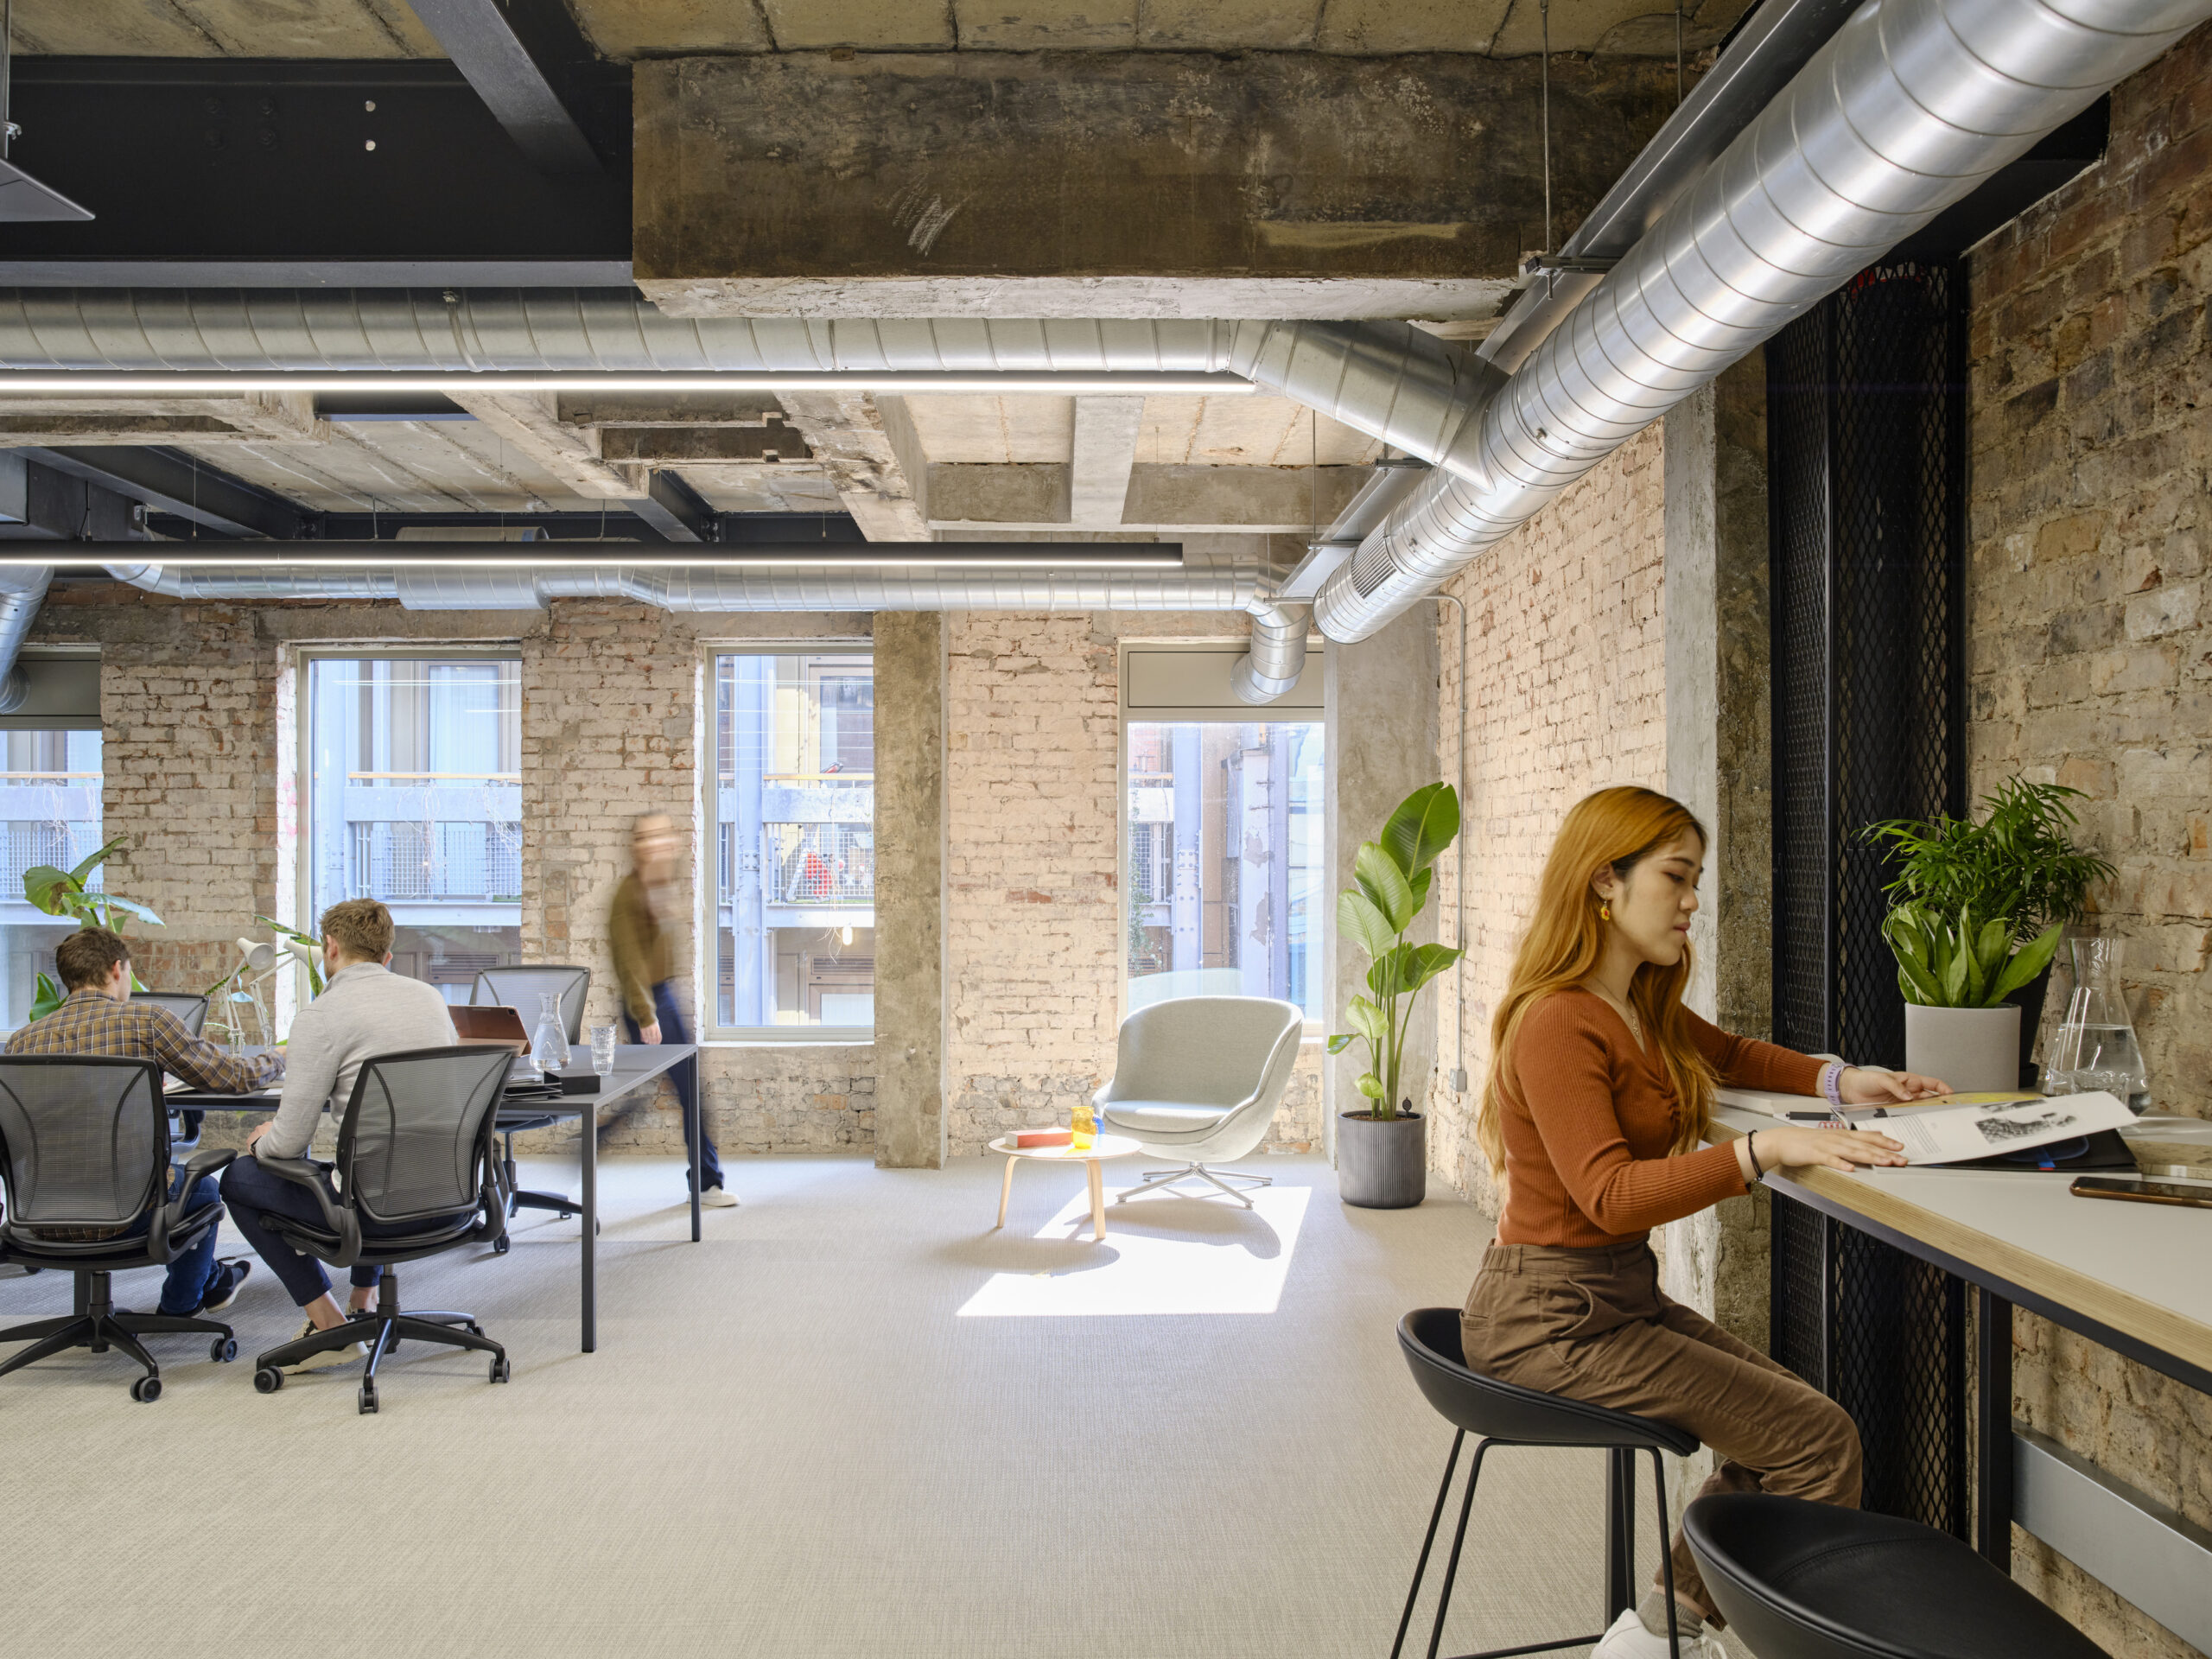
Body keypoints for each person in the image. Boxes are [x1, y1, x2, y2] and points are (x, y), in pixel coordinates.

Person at [1464, 787, 1949, 1659]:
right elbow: (1608, 1195)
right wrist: (1764, 1152)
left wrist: (1847, 1080)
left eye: (1695, 879)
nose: (1692, 900)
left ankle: (1657, 1638)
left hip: (1611, 1297)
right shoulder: (1557, 1020)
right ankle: (1673, 1639)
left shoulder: (1636, 1003)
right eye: (1675, 877)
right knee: (1816, 1439)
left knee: (1803, 1429)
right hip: (1549, 1318)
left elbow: (1729, 1056)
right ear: (1604, 883)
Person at [217, 899, 463, 1373]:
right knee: (375, 1159)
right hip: (443, 1197)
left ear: (329, 947)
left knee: (240, 1178)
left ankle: (329, 1327)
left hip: (372, 1211)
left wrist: (259, 1142)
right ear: (386, 954)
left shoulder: (321, 1016)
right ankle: (364, 1301)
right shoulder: (430, 999)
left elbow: (288, 1144)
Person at [3, 925, 279, 1318]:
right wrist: (280, 1056)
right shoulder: (145, 1022)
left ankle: (215, 1279)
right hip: (129, 1213)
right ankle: (180, 1307)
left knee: (165, 1184)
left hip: (42, 1218)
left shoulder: (22, 1042)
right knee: (202, 1190)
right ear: (117, 969)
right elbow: (233, 1077)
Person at [610, 811, 734, 1207]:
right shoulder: (628, 896)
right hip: (646, 1002)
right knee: (684, 1090)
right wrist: (646, 1016)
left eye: (662, 836)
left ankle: (591, 1140)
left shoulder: (658, 885)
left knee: (658, 1092)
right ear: (636, 847)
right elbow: (628, 962)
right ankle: (706, 1184)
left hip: (661, 996)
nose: (658, 844)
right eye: (647, 838)